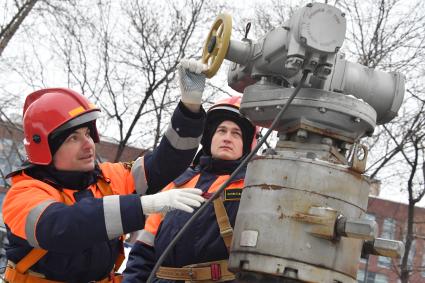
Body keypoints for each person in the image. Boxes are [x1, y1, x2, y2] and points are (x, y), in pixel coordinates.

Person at [2, 59, 208, 283]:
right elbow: (62, 227)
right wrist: (143, 206)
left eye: (88, 134)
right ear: (45, 147)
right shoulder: (23, 194)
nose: (88, 144)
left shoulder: (109, 178)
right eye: (73, 138)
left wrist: (189, 109)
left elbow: (165, 164)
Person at [122, 95, 257, 282]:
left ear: (247, 143)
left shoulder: (254, 189)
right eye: (221, 130)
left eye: (236, 133)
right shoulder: (176, 183)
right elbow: (144, 251)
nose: (227, 138)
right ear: (210, 137)